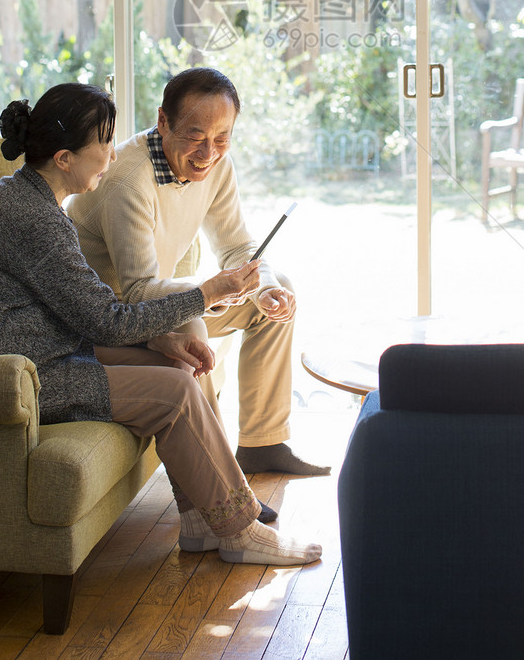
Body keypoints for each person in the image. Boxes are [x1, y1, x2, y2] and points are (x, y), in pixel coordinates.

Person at [0, 82, 321, 567]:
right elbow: (107, 319)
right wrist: (208, 293)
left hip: (45, 355)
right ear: (64, 158)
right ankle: (240, 529)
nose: (111, 154)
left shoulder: (29, 199)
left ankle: (201, 520)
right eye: (103, 142)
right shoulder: (33, 218)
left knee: (178, 365)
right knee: (175, 393)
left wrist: (164, 339)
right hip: (17, 379)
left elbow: (84, 314)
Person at [69, 67, 329, 477]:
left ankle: (264, 443)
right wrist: (210, 291)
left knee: (278, 292)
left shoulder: (216, 166)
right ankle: (221, 480)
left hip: (157, 306)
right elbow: (137, 292)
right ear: (163, 122)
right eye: (195, 136)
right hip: (111, 322)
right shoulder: (127, 182)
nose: (209, 152)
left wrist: (261, 288)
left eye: (222, 138)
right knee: (193, 326)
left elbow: (237, 246)